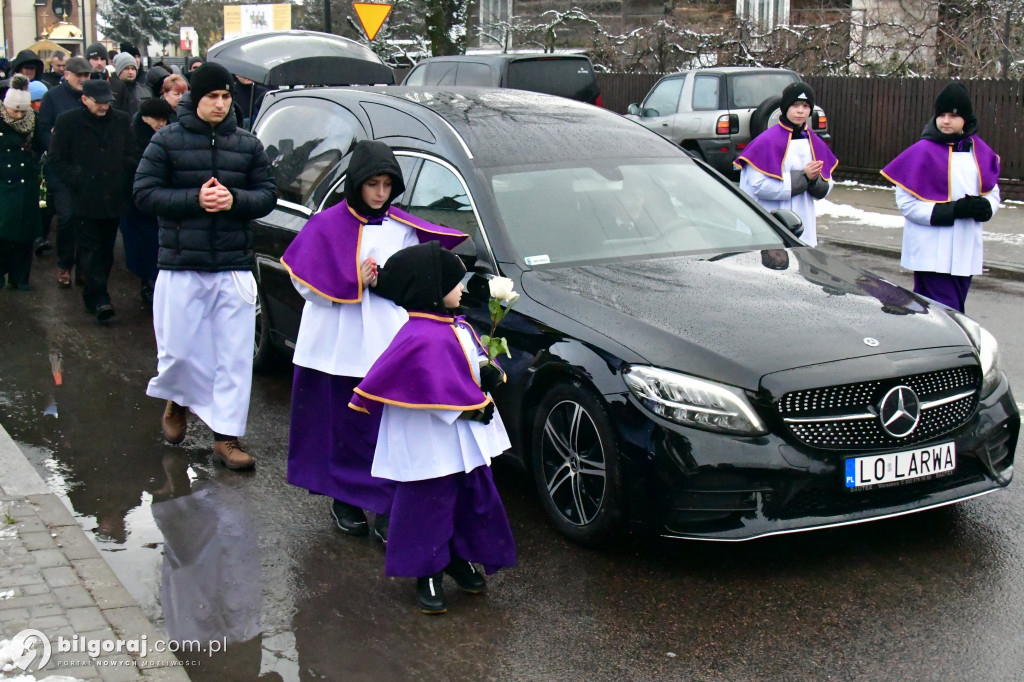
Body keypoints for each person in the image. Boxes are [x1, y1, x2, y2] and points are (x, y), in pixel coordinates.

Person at [280, 140, 467, 541]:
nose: (380, 193)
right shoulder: (325, 225)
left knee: (387, 429)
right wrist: (352, 280)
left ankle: (387, 504)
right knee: (340, 428)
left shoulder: (403, 228)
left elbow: (416, 283)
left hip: (385, 340)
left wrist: (388, 280)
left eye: (387, 185)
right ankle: (343, 498)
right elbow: (302, 282)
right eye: (372, 185)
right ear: (356, 184)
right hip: (335, 343)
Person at [350, 241, 516, 615]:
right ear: (431, 289)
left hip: (461, 440)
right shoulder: (419, 336)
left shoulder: (454, 325)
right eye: (454, 283)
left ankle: (457, 557)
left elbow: (464, 368)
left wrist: (485, 372)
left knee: (467, 497)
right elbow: (428, 387)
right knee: (429, 504)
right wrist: (464, 412)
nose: (461, 289)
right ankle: (428, 571)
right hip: (430, 442)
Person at [134, 62, 277, 470]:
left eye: (226, 96)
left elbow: (266, 193)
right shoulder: (167, 142)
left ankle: (226, 437)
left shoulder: (247, 145)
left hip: (232, 264)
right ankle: (177, 399)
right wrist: (194, 199)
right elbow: (144, 193)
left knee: (232, 356)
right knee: (179, 351)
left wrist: (236, 201)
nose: (219, 104)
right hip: (182, 264)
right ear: (196, 98)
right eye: (212, 96)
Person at [880, 83, 999, 314]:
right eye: (941, 115)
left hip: (965, 251)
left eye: (953, 116)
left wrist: (986, 207)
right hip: (931, 253)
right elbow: (907, 205)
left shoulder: (980, 152)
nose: (945, 121)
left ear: (965, 119)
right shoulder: (920, 152)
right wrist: (952, 211)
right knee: (941, 316)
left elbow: (992, 191)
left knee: (954, 315)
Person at [48, 79, 138, 322]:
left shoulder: (120, 120)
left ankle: (94, 295)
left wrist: (123, 174)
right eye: (98, 102)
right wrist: (75, 179)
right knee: (90, 250)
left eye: (107, 102)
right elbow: (56, 159)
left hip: (112, 198)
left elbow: (132, 152)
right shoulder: (68, 122)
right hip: (84, 199)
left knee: (106, 251)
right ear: (84, 99)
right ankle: (99, 299)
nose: (103, 107)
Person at [734, 82, 838, 247]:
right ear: (785, 107)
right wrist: (802, 177)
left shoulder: (814, 143)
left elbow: (827, 183)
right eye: (795, 105)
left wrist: (815, 182)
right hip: (771, 219)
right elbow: (758, 186)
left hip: (804, 222)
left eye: (805, 106)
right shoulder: (765, 142)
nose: (800, 111)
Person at [38, 56, 92, 287]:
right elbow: (43, 130)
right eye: (78, 75)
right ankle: (64, 264)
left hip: (88, 168)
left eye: (86, 75)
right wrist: (58, 149)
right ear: (66, 74)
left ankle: (84, 267)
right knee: (67, 217)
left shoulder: (92, 97)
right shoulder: (53, 97)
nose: (82, 79)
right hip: (61, 169)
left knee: (86, 220)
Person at [121, 97, 174, 308]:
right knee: (145, 245)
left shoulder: (165, 137)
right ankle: (148, 283)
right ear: (145, 118)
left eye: (164, 119)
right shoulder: (134, 138)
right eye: (157, 119)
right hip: (137, 204)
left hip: (159, 200)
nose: (161, 123)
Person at [0, 75, 42, 291]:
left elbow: (43, 144)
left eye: (22, 111)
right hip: (2, 184)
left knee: (24, 233)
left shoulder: (33, 119)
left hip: (26, 184)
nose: (17, 115)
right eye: (14, 110)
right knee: (3, 230)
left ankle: (20, 276)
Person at [112, 52, 148, 116]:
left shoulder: (145, 90)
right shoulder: (112, 90)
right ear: (119, 70)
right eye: (126, 68)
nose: (130, 72)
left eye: (133, 69)